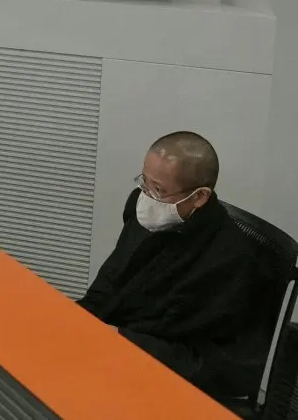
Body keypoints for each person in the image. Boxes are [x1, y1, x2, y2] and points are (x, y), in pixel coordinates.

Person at [80, 131, 276, 402]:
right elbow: (114, 278)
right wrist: (77, 320)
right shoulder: (143, 211)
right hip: (118, 353)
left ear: (199, 197)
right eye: (144, 182)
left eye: (159, 190)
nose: (146, 198)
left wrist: (124, 339)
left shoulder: (234, 261)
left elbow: (218, 367)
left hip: (166, 383)